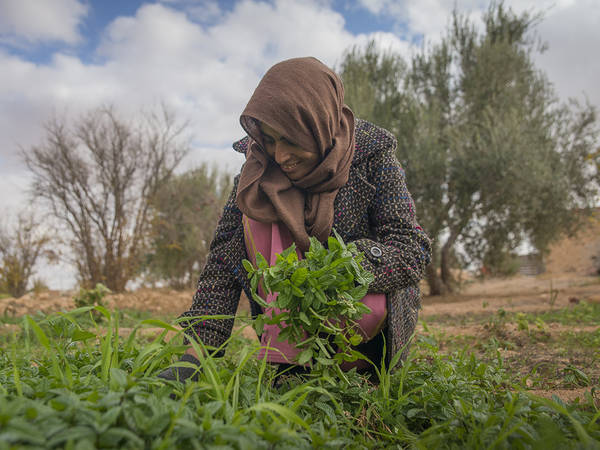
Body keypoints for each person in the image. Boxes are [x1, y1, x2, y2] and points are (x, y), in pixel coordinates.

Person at [158, 57, 431, 382]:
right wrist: (196, 355)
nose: (280, 155)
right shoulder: (258, 168)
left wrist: (344, 267)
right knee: (256, 211)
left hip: (367, 336)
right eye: (271, 140)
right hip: (289, 346)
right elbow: (223, 262)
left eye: (291, 139)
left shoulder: (374, 158)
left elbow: (412, 250)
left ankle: (360, 369)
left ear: (319, 125)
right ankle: (291, 361)